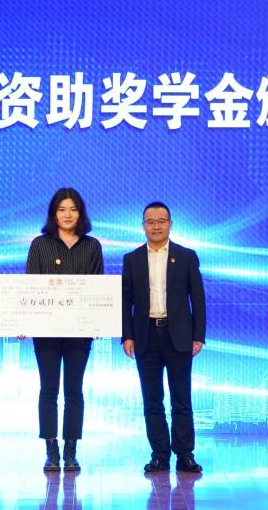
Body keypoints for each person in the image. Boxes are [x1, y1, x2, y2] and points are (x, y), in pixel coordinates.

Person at [121, 201, 206, 473]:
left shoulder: (186, 256)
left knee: (181, 399)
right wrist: (127, 336)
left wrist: (199, 335)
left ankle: (185, 454)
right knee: (152, 400)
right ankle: (159, 454)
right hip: (145, 336)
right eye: (150, 222)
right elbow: (125, 301)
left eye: (161, 221)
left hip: (178, 335)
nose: (156, 226)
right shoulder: (132, 259)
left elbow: (198, 298)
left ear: (170, 224)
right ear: (143, 226)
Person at [23, 187, 104, 472]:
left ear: (80, 213)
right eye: (62, 210)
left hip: (79, 332)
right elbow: (30, 287)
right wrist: (21, 320)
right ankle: (51, 450)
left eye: (73, 209)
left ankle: (71, 451)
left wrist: (99, 320)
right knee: (48, 390)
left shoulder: (92, 246)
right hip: (46, 332)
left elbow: (97, 287)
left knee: (74, 391)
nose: (67, 215)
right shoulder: (40, 244)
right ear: (53, 214)